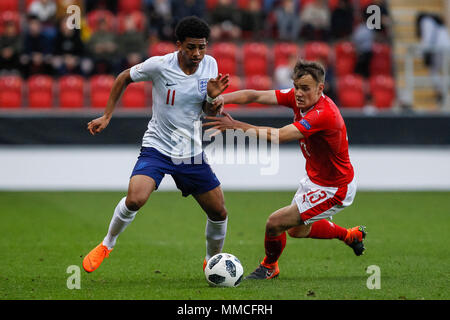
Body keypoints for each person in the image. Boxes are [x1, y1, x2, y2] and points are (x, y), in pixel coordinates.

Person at [82, 16, 230, 274]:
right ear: (178, 45)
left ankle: (212, 262)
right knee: (135, 199)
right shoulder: (159, 65)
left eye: (202, 47)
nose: (197, 53)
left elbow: (208, 112)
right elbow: (123, 77)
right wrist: (107, 115)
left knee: (218, 212)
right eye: (191, 47)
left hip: (191, 152)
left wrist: (213, 98)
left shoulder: (211, 65)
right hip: (158, 147)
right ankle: (107, 244)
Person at [203, 59, 366, 280]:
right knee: (297, 230)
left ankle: (269, 266)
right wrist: (219, 99)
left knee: (275, 223)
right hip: (315, 180)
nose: (298, 93)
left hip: (335, 188)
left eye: (305, 89)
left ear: (320, 88)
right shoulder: (299, 98)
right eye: (296, 87)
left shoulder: (324, 114)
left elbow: (279, 136)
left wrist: (237, 126)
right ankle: (349, 235)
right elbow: (255, 95)